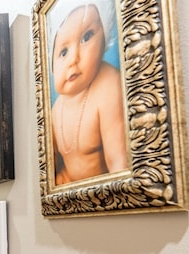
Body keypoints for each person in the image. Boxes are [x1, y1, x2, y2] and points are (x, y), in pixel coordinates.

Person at [48, 1, 128, 184]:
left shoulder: (107, 85)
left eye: (86, 37)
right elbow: (50, 168)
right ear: (51, 66)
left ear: (104, 38)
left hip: (102, 190)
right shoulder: (54, 109)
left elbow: (119, 162)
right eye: (63, 52)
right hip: (70, 188)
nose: (74, 59)